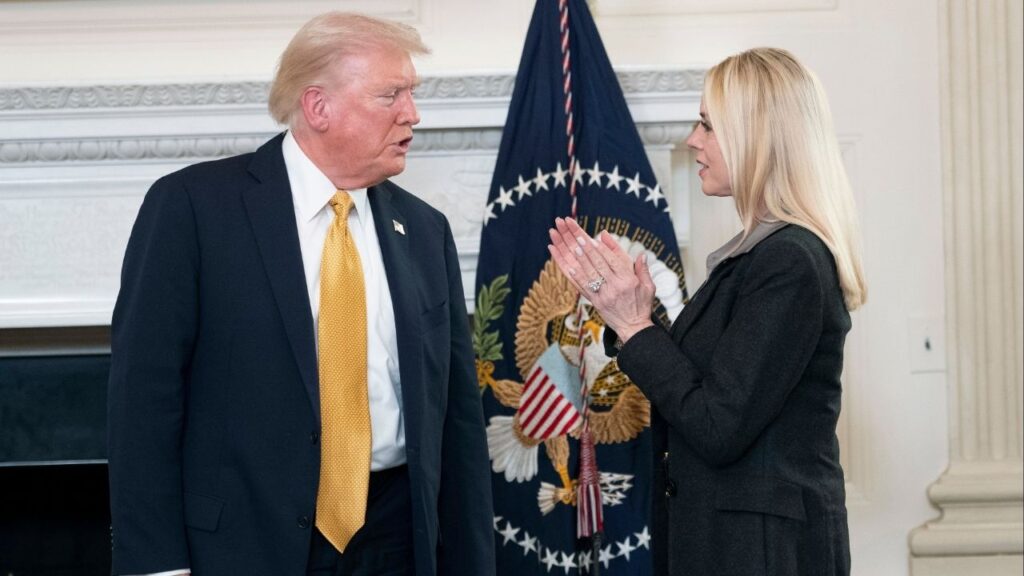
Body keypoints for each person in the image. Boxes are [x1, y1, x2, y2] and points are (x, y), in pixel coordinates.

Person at [107, 12, 495, 576]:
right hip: (241, 547)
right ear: (318, 107)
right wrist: (155, 565)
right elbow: (142, 403)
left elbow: (457, 420)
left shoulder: (424, 230)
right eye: (391, 94)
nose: (412, 114)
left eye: (412, 94)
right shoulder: (193, 208)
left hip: (395, 541)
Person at [547, 47, 865, 575]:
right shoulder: (760, 253)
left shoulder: (788, 260)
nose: (693, 141)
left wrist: (634, 324)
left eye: (707, 125)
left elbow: (718, 425)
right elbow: (715, 380)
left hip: (761, 553)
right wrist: (635, 314)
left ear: (756, 137)